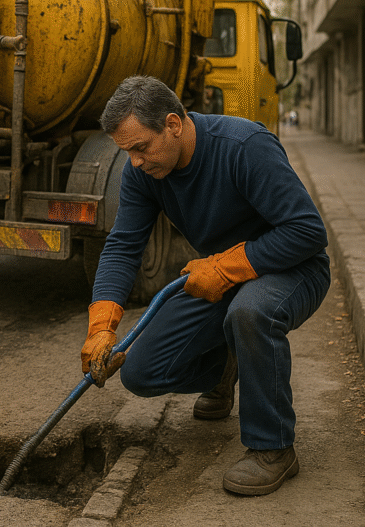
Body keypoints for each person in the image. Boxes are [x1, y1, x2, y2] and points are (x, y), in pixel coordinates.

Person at [80, 75, 330, 496]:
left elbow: (307, 232)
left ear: (174, 124)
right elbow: (123, 247)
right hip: (221, 275)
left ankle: (273, 448)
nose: (136, 162)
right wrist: (102, 323)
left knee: (250, 312)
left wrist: (231, 265)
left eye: (141, 148)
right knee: (141, 372)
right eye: (128, 152)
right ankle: (230, 363)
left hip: (293, 267)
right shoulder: (144, 173)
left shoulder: (244, 146)